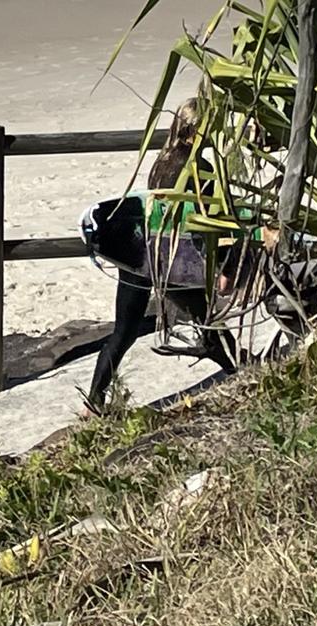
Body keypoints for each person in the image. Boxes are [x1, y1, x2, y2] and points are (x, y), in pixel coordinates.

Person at [85, 98, 242, 415]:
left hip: (141, 255)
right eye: (209, 127)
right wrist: (226, 266)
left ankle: (94, 402)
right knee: (207, 320)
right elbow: (210, 224)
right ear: (196, 130)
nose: (215, 132)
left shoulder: (163, 160)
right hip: (172, 262)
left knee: (123, 333)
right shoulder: (200, 170)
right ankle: (243, 368)